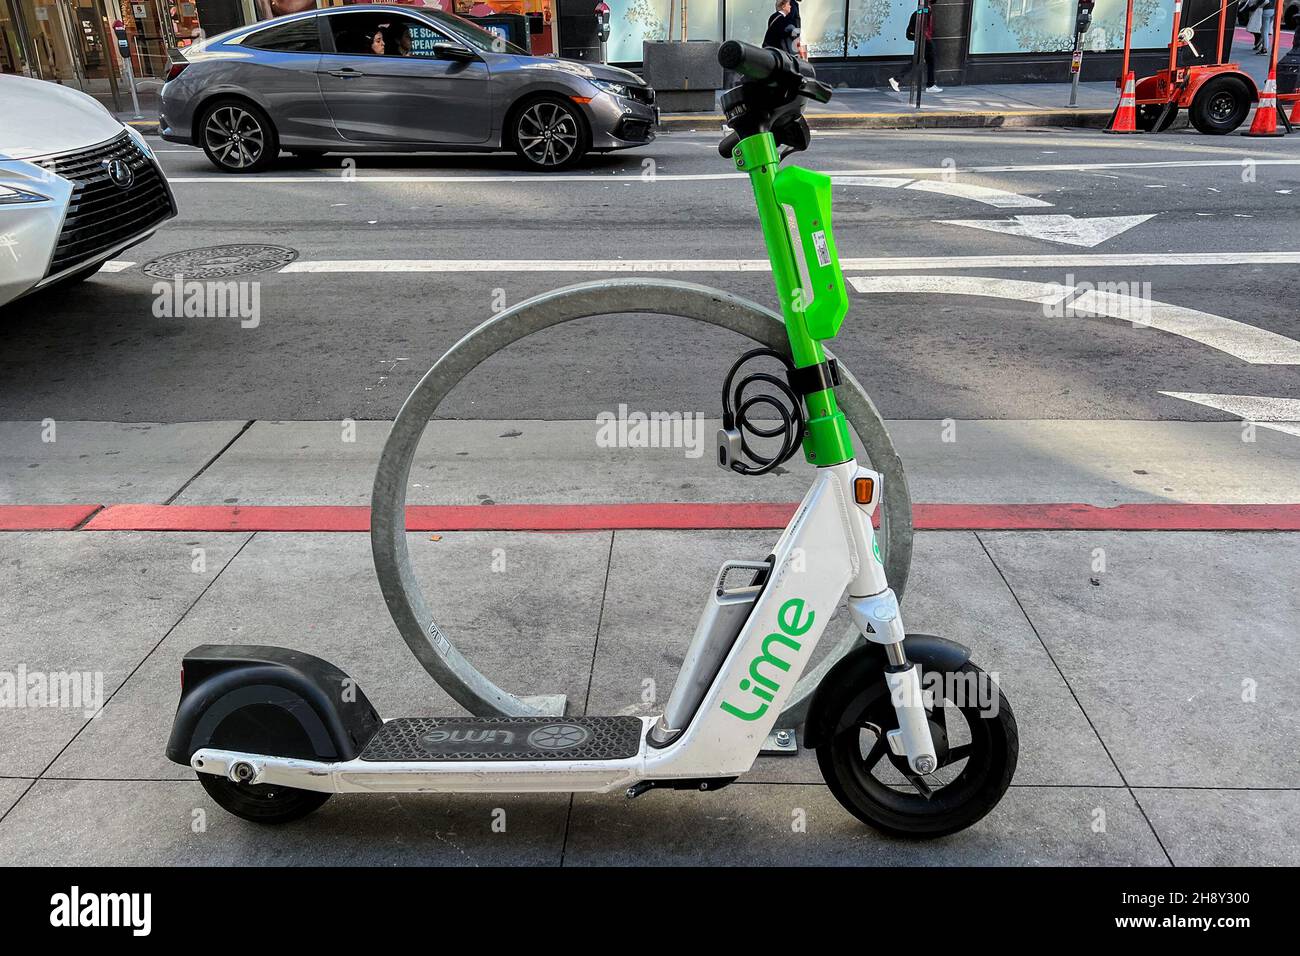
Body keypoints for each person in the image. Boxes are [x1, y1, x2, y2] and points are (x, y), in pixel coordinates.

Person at [888, 6, 942, 94]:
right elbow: (923, 28)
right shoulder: (923, 13)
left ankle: (930, 85)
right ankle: (896, 79)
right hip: (924, 39)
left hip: (923, 38)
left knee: (923, 60)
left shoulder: (921, 12)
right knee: (922, 60)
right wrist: (926, 38)